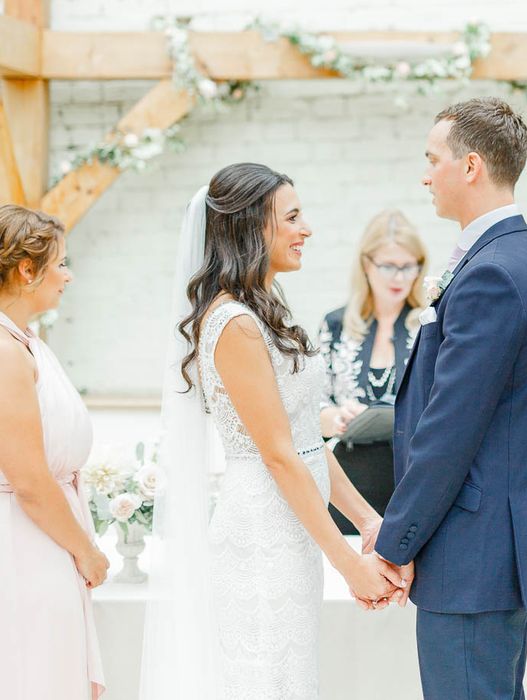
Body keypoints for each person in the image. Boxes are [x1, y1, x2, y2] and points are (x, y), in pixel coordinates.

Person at [140, 163, 412, 700]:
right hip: (261, 533)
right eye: (291, 216)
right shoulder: (234, 323)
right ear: (249, 229)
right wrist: (348, 564)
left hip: (291, 531)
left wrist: (368, 522)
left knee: (291, 675)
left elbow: (307, 439)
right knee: (264, 678)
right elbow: (280, 456)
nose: (306, 228)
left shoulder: (265, 311)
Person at [368, 97, 527, 699]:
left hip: (470, 553)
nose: (425, 175)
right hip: (488, 550)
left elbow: (450, 428)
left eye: (433, 160)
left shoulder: (493, 274)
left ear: (472, 166)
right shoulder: (513, 259)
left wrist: (395, 540)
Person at [0, 205, 109, 700]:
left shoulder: (25, 341)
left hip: (44, 538)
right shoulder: (4, 352)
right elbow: (28, 480)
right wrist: (86, 552)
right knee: (35, 675)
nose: (68, 275)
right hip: (24, 543)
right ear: (27, 270)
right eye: (60, 263)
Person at [318, 209, 427, 534]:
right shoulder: (335, 325)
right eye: (389, 266)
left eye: (409, 267)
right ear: (366, 265)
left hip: (414, 485)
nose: (399, 278)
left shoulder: (431, 325)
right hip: (350, 487)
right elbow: (310, 407)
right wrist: (337, 416)